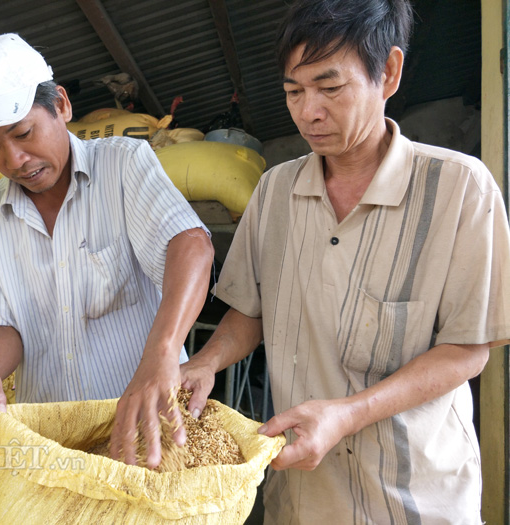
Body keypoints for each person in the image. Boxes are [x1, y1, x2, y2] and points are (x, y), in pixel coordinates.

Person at [180, 0, 510, 523]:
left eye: (330, 88)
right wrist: (205, 362)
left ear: (390, 73)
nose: (308, 111)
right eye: (293, 91)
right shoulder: (273, 192)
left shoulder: (460, 189)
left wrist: (348, 415)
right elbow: (249, 312)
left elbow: (467, 350)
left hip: (414, 501)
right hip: (303, 500)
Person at [0, 33, 214, 469]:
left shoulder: (124, 164)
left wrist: (161, 355)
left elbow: (190, 244)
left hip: (150, 432)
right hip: (54, 444)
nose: (13, 160)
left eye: (23, 133)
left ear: (62, 106)